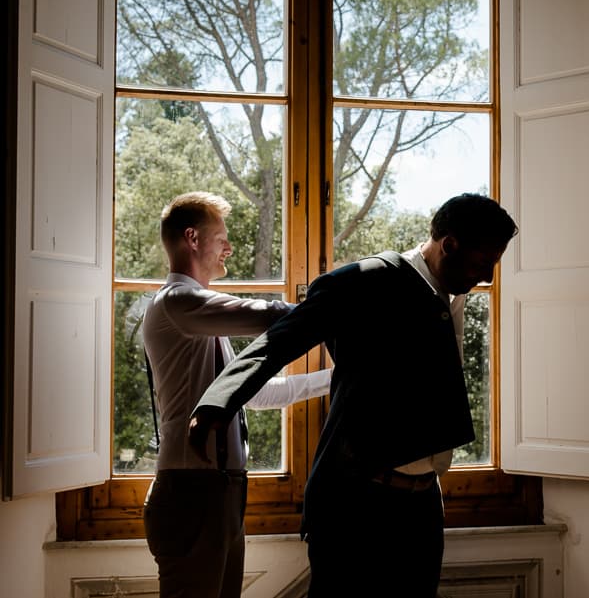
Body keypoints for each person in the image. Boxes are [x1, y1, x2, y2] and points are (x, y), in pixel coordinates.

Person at [188, 193, 518, 597]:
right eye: (483, 263)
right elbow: (281, 340)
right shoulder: (365, 280)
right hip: (356, 505)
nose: (487, 277)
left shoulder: (455, 291)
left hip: (423, 506)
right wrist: (218, 400)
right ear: (449, 245)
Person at [142, 191, 332, 598]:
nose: (229, 246)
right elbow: (271, 315)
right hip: (192, 489)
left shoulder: (200, 319)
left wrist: (334, 379)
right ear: (193, 238)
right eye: (221, 237)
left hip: (220, 490)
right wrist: (330, 309)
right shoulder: (178, 302)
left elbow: (255, 394)